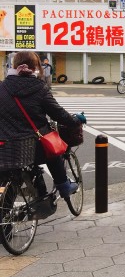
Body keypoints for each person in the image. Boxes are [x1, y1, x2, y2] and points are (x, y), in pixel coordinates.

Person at [0, 51, 84, 198]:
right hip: (32, 145)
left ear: (13, 66)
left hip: (4, 145)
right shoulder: (39, 87)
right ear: (36, 67)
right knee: (53, 151)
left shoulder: (2, 87)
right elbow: (59, 114)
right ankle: (63, 185)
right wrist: (76, 120)